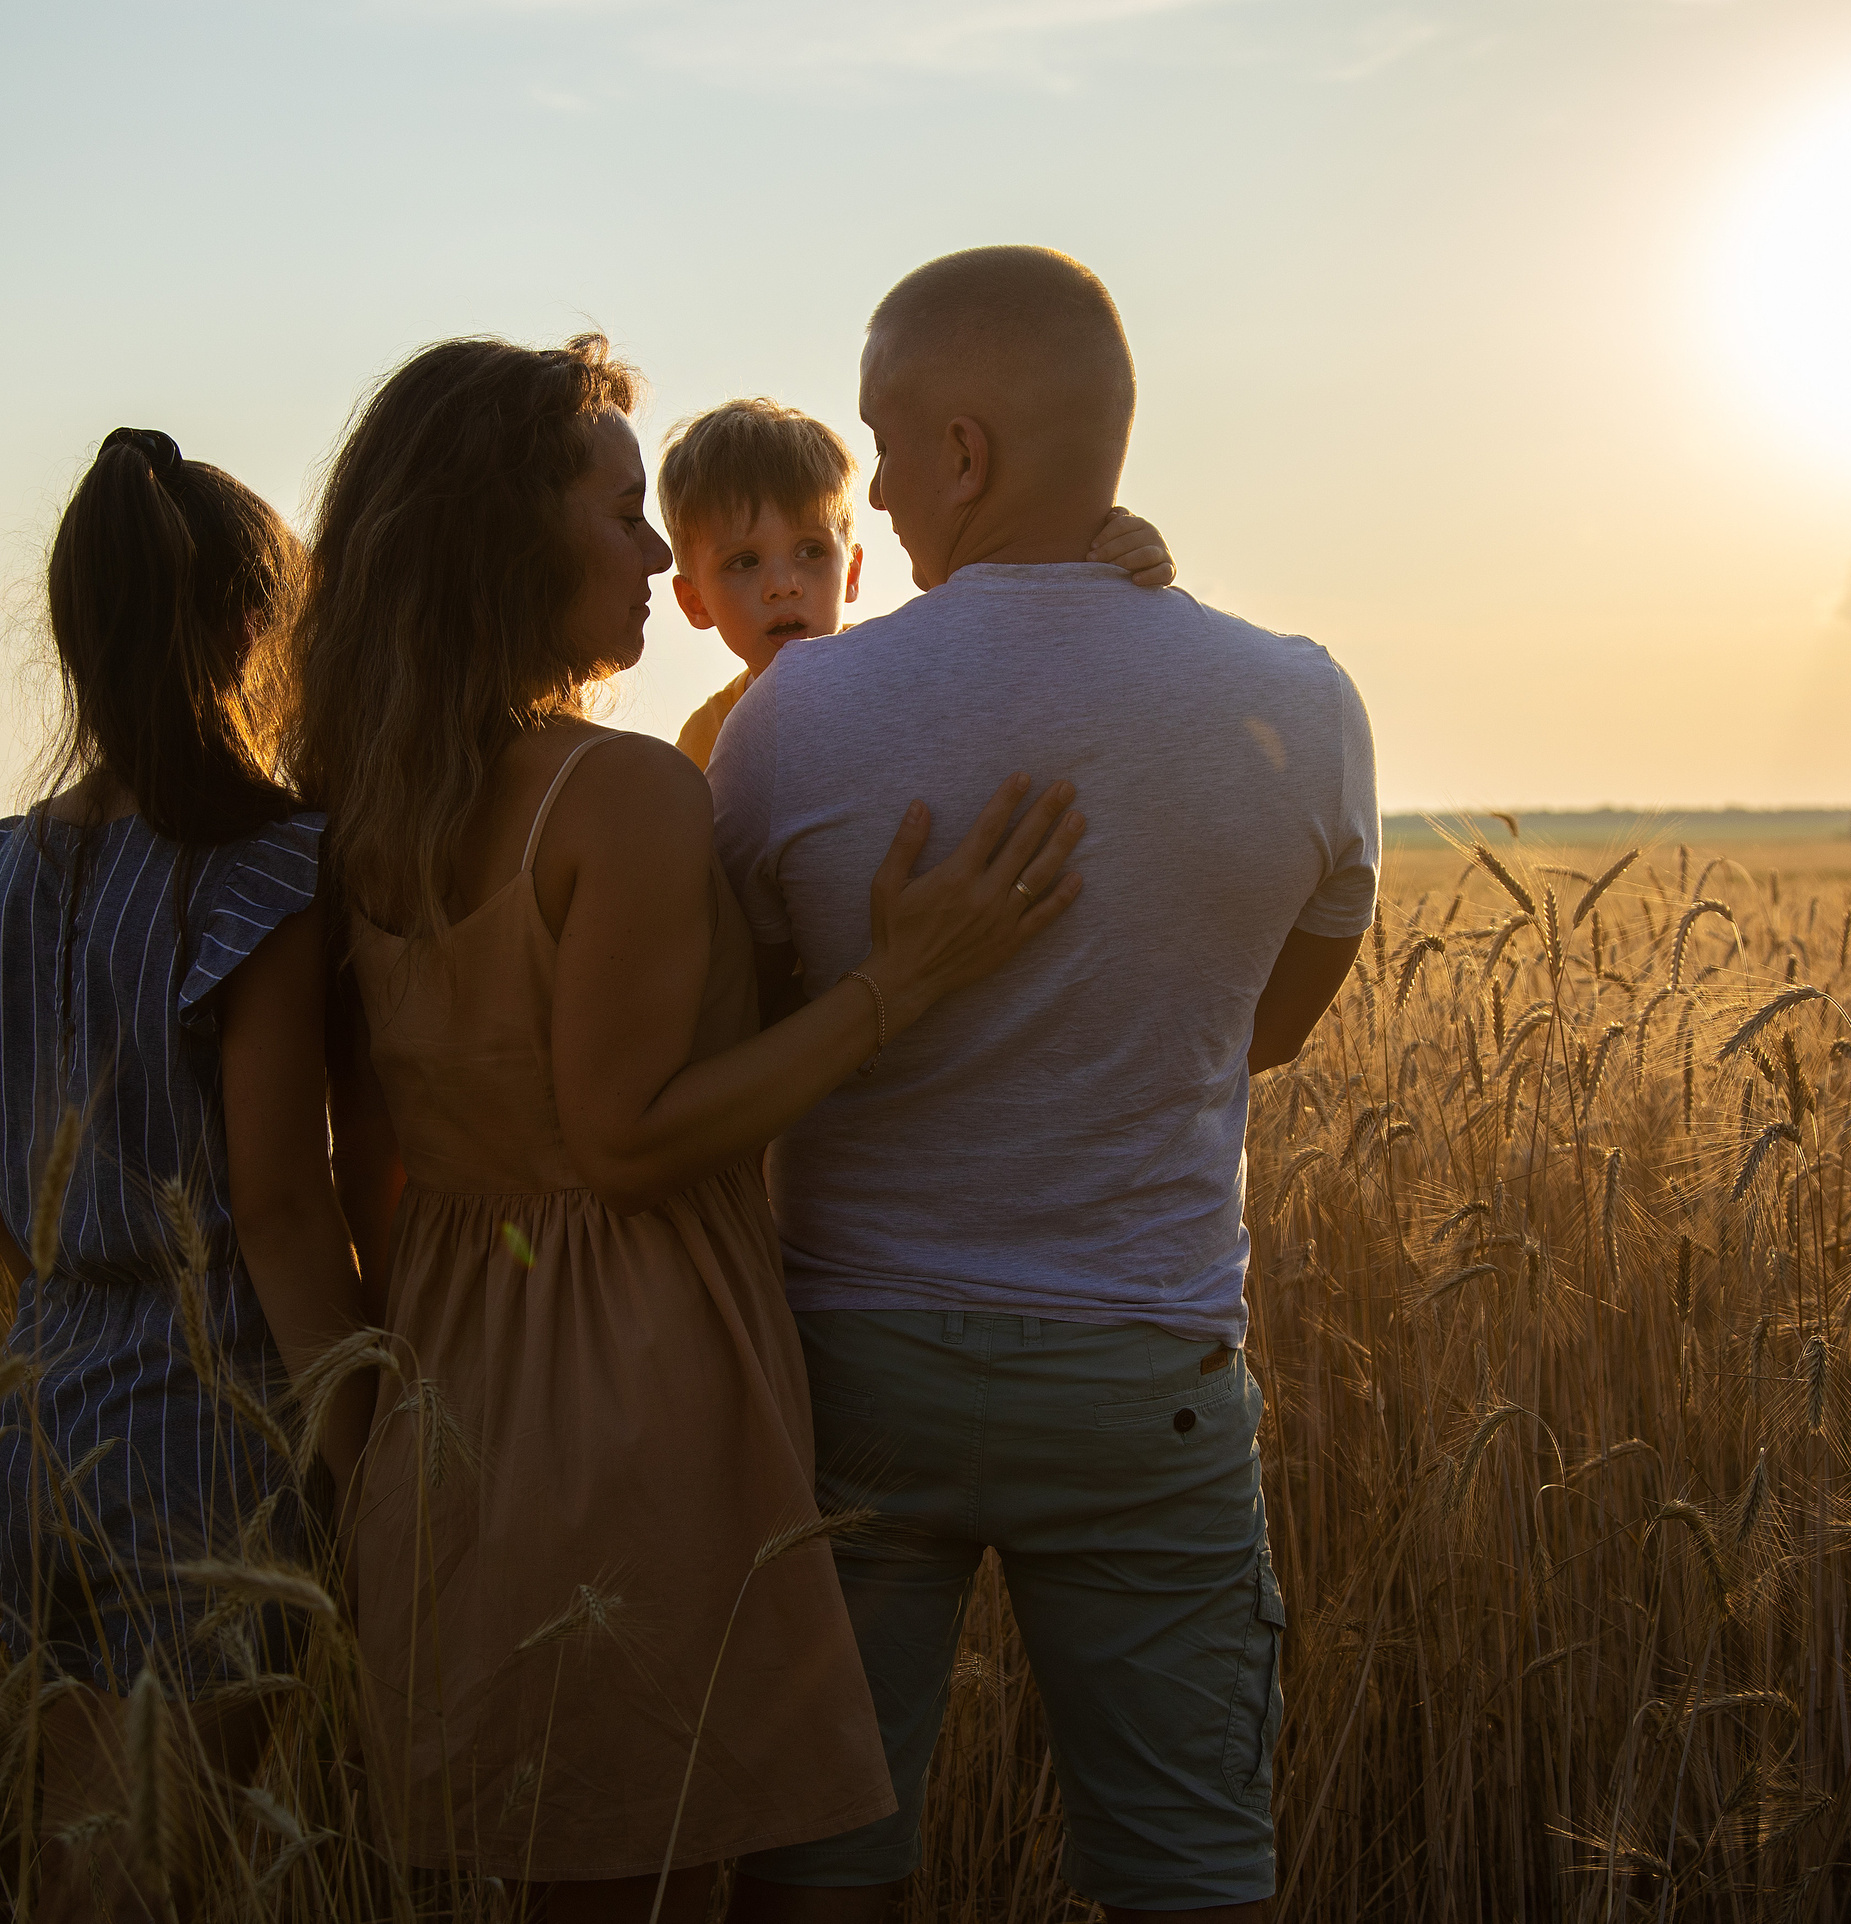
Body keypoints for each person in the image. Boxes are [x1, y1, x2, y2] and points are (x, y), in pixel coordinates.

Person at [291, 332, 1088, 1922]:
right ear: (507, 535)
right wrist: (900, 984)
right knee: (653, 1877)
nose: (660, 549)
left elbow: (365, 1156)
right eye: (619, 511)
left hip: (444, 1379)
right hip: (642, 1386)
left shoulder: (364, 798)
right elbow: (628, 1140)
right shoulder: (618, 798)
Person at [708, 246, 1380, 1923]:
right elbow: (1266, 1028)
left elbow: (742, 1032)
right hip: (1144, 1368)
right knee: (1191, 1874)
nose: (864, 491)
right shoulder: (1303, 703)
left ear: (963, 451)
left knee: (822, 1863)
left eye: (877, 443)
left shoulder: (793, 716)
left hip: (854, 1364)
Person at [0, 428, 371, 1922]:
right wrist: (362, 1444)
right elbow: (282, 1203)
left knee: (83, 1847)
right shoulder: (263, 868)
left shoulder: (9, 870)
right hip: (211, 1415)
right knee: (184, 1860)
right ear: (254, 629)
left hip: (42, 1401)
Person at [658, 396, 1175, 771]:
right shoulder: (707, 741)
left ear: (852, 573)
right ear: (695, 602)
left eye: (811, 551)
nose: (783, 585)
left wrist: (1107, 554)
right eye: (744, 562)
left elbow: (1035, 652)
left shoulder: (910, 667)